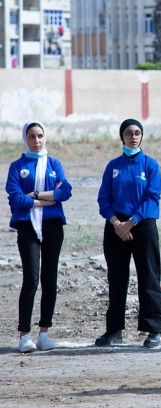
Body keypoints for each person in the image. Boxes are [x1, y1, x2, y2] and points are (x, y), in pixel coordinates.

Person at [95, 119, 161, 349]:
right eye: (128, 133)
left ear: (142, 136)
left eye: (137, 133)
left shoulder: (150, 165)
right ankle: (114, 330)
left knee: (149, 278)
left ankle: (154, 330)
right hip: (115, 226)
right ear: (121, 137)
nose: (133, 137)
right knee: (116, 279)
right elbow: (104, 199)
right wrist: (117, 223)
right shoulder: (113, 166)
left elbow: (152, 197)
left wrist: (131, 222)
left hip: (142, 225)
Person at [6, 121, 72, 353]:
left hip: (52, 225)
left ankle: (44, 333)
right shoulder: (18, 166)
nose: (36, 140)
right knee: (31, 279)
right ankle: (24, 335)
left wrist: (34, 194)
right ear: (26, 138)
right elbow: (15, 198)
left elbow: (65, 191)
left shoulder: (54, 164)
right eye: (32, 136)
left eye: (40, 136)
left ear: (45, 137)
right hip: (27, 227)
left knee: (50, 279)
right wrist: (45, 200)